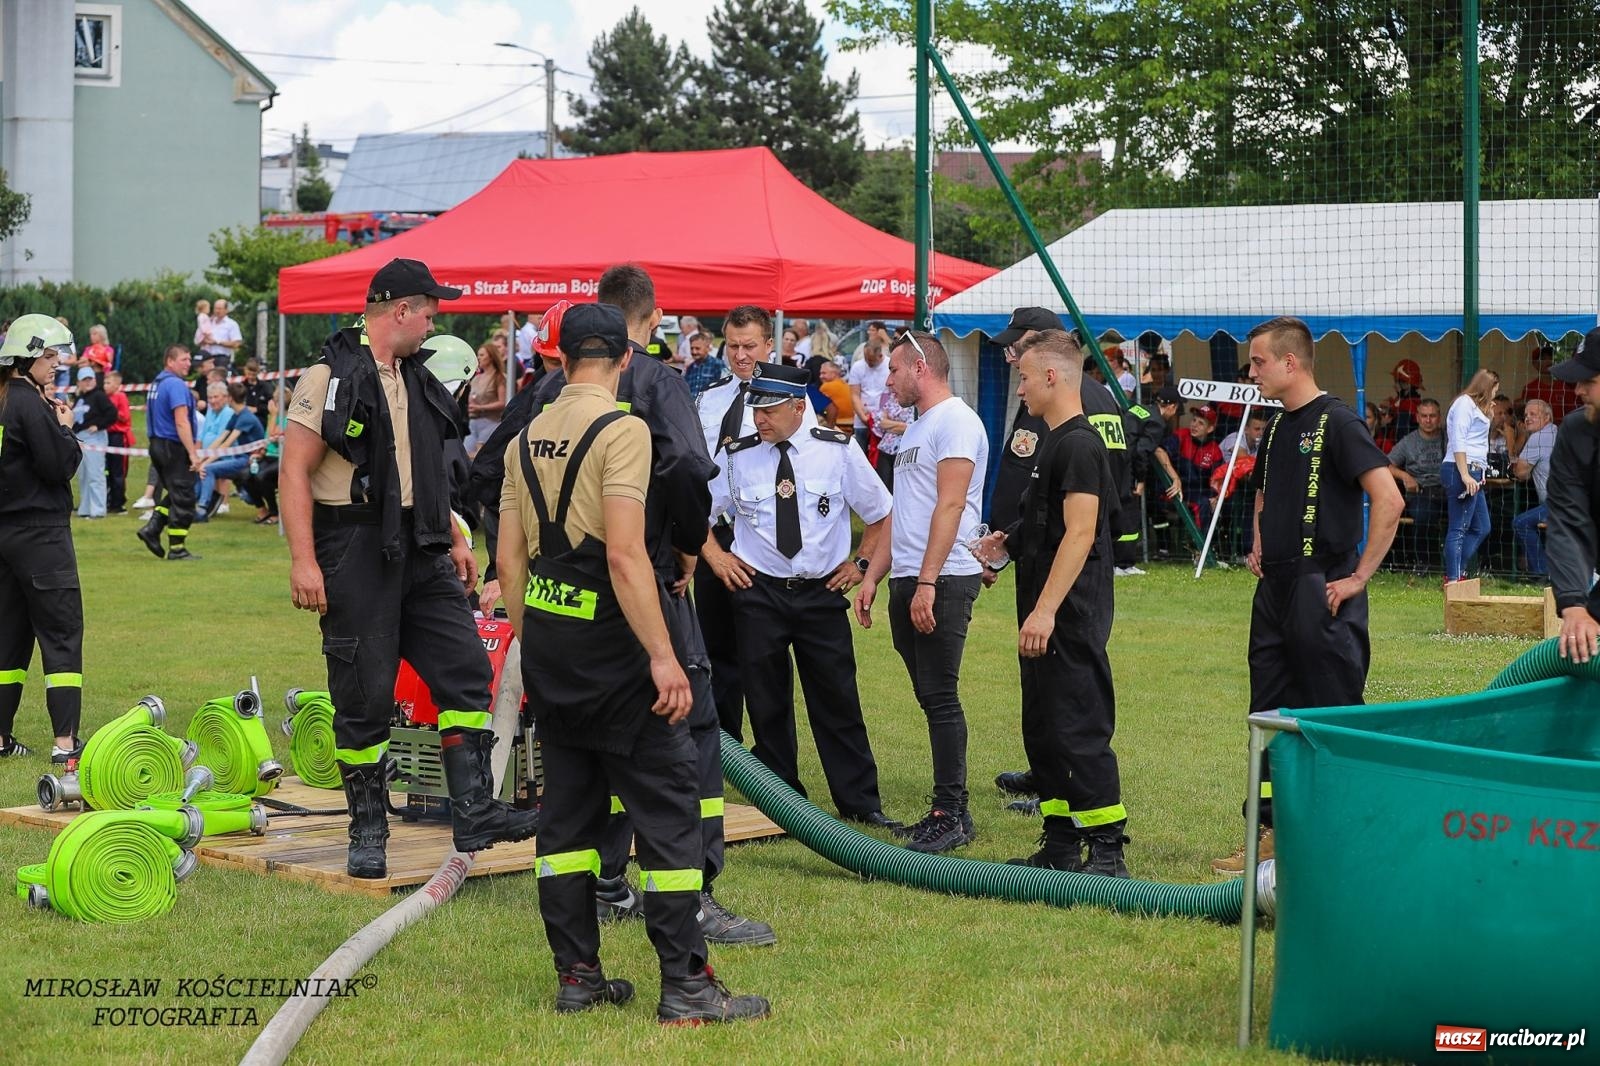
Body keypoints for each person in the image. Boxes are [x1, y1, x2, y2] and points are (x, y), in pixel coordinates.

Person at [497, 302, 769, 1023]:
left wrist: (535, 641)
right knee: (670, 816)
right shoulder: (622, 431)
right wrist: (663, 656)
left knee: (567, 823)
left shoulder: (522, 439)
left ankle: (578, 976)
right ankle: (686, 987)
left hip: (551, 645)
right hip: (618, 649)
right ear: (625, 360)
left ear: (559, 360)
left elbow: (508, 561)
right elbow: (624, 554)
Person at [280, 257, 538, 879]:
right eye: (429, 313)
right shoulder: (330, 375)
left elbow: (418, 469)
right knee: (364, 693)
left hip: (421, 546)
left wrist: (452, 537)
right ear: (400, 309)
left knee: (465, 669)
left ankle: (474, 811)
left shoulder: (414, 375)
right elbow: (293, 470)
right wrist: (304, 561)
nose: (432, 325)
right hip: (354, 545)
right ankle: (368, 828)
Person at [1212, 316, 1402, 876]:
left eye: (1258, 362)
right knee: (1268, 713)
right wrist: (1259, 540)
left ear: (1290, 363)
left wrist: (1358, 578)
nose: (1252, 373)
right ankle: (1270, 831)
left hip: (1323, 588)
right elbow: (1263, 492)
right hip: (1275, 588)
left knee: (1329, 711)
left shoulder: (1338, 421)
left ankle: (1349, 831)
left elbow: (1388, 499)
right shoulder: (1275, 426)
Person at [705, 361, 895, 826]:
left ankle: (860, 804)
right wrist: (718, 559)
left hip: (820, 593)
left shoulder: (837, 450)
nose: (758, 419)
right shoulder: (737, 454)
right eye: (755, 409)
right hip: (759, 593)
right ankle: (781, 806)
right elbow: (697, 513)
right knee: (766, 703)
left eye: (768, 410)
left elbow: (881, 512)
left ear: (797, 406)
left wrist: (862, 564)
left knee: (837, 700)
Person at [977, 331, 1128, 875]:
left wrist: (1045, 611)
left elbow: (1082, 532)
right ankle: (1060, 841)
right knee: (1043, 726)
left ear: (1051, 376)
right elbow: (1048, 522)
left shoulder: (1081, 444)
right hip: (1042, 607)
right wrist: (1007, 545)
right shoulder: (1054, 441)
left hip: (1068, 612)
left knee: (1077, 724)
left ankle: (1106, 849)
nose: (1019, 389)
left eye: (1023, 377)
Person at [854, 330, 988, 854]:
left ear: (920, 367)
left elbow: (951, 506)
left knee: (940, 694)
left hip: (944, 576)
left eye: (893, 370)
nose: (887, 381)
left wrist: (928, 580)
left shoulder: (956, 421)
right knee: (930, 695)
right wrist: (873, 575)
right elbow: (901, 512)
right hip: (912, 576)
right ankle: (952, 810)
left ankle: (949, 813)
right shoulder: (916, 429)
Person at [694, 306, 817, 743]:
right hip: (712, 532)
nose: (741, 355)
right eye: (732, 346)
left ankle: (773, 759)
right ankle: (722, 749)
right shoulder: (708, 398)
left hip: (762, 534)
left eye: (750, 346)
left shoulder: (789, 399)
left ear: (769, 344)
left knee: (763, 656)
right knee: (715, 649)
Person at [0, 315, 86, 761]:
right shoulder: (31, 406)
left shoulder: (4, 401)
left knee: (8, 637)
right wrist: (66, 427)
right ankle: (65, 744)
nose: (56, 363)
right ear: (26, 358)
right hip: (42, 538)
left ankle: (0, 737)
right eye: (50, 356)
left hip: (5, 536)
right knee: (62, 633)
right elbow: (58, 466)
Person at [1544, 328, 1600, 663]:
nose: (1578, 390)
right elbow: (1567, 518)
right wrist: (1574, 603)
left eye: (1588, 381)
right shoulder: (1576, 431)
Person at [135, 345, 204, 561]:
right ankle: (177, 549)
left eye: (189, 359)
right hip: (172, 445)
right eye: (184, 359)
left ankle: (152, 529)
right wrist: (192, 453)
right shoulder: (175, 384)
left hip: (157, 444)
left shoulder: (158, 383)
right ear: (170, 361)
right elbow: (181, 421)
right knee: (184, 496)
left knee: (176, 493)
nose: (188, 363)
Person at [1442, 369, 1499, 584]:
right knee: (1459, 527)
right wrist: (1465, 475)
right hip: (1461, 469)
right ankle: (1453, 578)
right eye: (1495, 390)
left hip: (1474, 470)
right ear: (1488, 387)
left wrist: (1489, 417)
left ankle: (1457, 568)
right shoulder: (1464, 404)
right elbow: (1459, 439)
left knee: (1482, 526)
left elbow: (1477, 439)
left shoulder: (1477, 408)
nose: (1495, 395)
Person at [1386, 397, 1447, 567]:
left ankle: (1459, 565)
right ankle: (1424, 564)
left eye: (1432, 416)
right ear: (1417, 418)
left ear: (1439, 417)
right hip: (1421, 492)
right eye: (1424, 416)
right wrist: (1405, 476)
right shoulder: (1408, 442)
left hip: (1447, 490)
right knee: (1423, 516)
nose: (1428, 420)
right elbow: (1386, 465)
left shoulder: (1449, 438)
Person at [198, 383, 267, 520]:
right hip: (240, 458)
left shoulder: (245, 417)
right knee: (207, 468)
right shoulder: (237, 415)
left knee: (208, 469)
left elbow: (226, 444)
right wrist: (200, 459)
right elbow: (220, 439)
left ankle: (202, 509)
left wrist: (205, 463)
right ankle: (204, 505)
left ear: (229, 398)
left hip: (249, 460)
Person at [1509, 398, 1557, 579]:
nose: (1527, 418)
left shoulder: (1538, 438)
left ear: (1547, 417)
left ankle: (1541, 573)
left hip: (1556, 503)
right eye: (1526, 415)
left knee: (1520, 523)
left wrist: (1513, 440)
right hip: (1574, 500)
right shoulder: (1556, 431)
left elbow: (1521, 473)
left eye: (1533, 414)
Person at [71, 366, 115, 519]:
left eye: (90, 379)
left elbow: (112, 413)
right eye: (85, 379)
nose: (88, 382)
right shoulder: (80, 398)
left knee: (95, 474)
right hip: (80, 438)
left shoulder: (99, 396)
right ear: (79, 382)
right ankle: (85, 508)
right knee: (84, 475)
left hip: (94, 438)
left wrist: (98, 425)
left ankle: (98, 510)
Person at [847, 337, 890, 452]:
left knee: (880, 455)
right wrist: (862, 416)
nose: (868, 363)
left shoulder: (889, 366)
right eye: (866, 359)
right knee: (860, 452)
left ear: (880, 355)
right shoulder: (858, 366)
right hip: (862, 417)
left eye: (871, 360)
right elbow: (854, 394)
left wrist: (882, 417)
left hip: (883, 418)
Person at [1520, 344, 1578, 424]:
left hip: (1561, 430)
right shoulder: (1529, 389)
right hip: (1538, 430)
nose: (1548, 361)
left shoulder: (1564, 387)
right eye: (1543, 359)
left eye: (1550, 358)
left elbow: (1573, 413)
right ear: (1535, 364)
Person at [465, 342, 506, 456]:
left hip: (491, 422)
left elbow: (502, 403)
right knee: (466, 455)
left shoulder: (499, 377)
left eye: (482, 355)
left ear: (491, 357)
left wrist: (480, 407)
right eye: (478, 355)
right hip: (473, 424)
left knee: (480, 456)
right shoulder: (475, 379)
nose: (479, 358)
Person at [103, 370, 132, 514]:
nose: (105, 385)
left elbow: (125, 417)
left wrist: (111, 409)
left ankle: (118, 502)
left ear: (117, 385)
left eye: (108, 383)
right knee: (106, 470)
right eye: (104, 382)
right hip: (105, 435)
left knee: (117, 471)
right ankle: (107, 499)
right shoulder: (104, 397)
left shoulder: (120, 397)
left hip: (118, 436)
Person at [197, 298, 242, 371]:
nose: (217, 311)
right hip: (207, 358)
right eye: (215, 308)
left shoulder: (232, 324)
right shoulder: (208, 322)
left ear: (226, 310)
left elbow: (236, 344)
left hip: (222, 358)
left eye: (220, 309)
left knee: (221, 376)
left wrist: (217, 342)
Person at [1386, 358, 1425, 438]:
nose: (1394, 385)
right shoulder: (1409, 401)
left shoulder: (1408, 405)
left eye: (1396, 381)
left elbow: (1401, 433)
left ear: (1406, 384)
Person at [682, 332, 725, 399]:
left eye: (697, 348)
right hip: (691, 404)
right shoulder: (690, 368)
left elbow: (725, 388)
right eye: (692, 348)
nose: (694, 352)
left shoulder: (718, 364)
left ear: (707, 348)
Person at [816, 359, 852, 428]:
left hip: (838, 424)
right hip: (851, 422)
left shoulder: (827, 386)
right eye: (820, 373)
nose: (820, 376)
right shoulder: (846, 384)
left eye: (824, 373)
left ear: (834, 374)